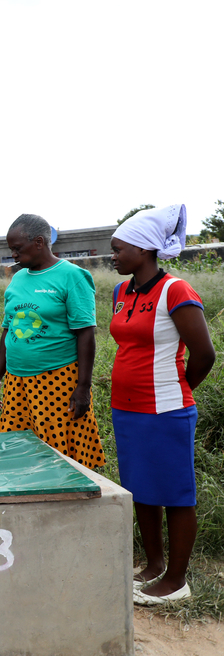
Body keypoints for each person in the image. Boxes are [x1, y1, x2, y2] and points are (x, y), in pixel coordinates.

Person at [108, 204, 216, 605]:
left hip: (165, 410)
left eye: (119, 249)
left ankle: (176, 578)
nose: (113, 256)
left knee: (175, 492)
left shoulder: (176, 291)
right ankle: (153, 565)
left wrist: (177, 389)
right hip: (127, 408)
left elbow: (204, 354)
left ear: (145, 249)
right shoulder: (121, 291)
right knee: (141, 489)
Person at [0, 214, 106, 469]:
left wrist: (83, 387)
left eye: (17, 249)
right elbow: (9, 331)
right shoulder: (18, 279)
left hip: (57, 379)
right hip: (17, 381)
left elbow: (85, 333)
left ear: (39, 242)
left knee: (58, 456)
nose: (13, 255)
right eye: (11, 250)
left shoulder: (72, 276)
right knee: (16, 453)